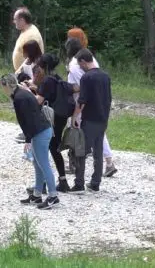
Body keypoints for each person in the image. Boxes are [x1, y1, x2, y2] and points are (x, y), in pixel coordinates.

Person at [0, 73, 60, 209]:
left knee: (44, 164)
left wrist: (27, 139)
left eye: (3, 87)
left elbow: (27, 120)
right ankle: (37, 194)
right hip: (41, 130)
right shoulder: (21, 92)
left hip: (40, 132)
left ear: (7, 86)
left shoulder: (19, 98)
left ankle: (53, 196)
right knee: (37, 164)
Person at [66, 28, 117, 176]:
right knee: (98, 133)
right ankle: (107, 163)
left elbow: (80, 88)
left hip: (83, 104)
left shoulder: (75, 65)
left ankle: (79, 169)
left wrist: (66, 89)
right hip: (96, 101)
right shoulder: (89, 57)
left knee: (84, 136)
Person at [71, 49, 112, 193]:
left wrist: (74, 117)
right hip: (103, 118)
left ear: (83, 61)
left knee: (81, 151)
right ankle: (95, 182)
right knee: (98, 152)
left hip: (90, 119)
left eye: (79, 64)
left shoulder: (87, 78)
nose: (79, 67)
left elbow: (82, 101)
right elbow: (108, 99)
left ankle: (79, 184)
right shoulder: (105, 76)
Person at [33, 54, 71, 192]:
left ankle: (43, 183)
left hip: (50, 118)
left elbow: (39, 100)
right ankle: (62, 180)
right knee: (54, 148)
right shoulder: (57, 77)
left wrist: (27, 91)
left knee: (45, 149)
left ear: (43, 66)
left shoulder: (47, 80)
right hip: (60, 117)